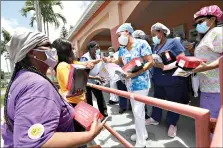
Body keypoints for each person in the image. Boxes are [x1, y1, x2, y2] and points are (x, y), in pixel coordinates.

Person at [2, 29, 105, 147]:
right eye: (47, 46)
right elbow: (34, 143)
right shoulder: (37, 85)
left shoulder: (22, 78)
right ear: (31, 52)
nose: (53, 50)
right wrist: (90, 135)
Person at [103, 23, 153, 147]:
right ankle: (143, 133)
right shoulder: (123, 48)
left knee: (138, 111)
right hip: (129, 84)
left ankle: (141, 142)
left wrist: (135, 74)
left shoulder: (142, 44)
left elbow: (150, 62)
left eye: (119, 35)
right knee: (137, 112)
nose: (119, 38)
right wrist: (109, 61)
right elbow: (119, 61)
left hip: (141, 84)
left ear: (127, 32)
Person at [145, 23, 189, 138]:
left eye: (154, 34)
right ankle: (155, 118)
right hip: (158, 79)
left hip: (172, 79)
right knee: (157, 101)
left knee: (173, 103)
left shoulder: (173, 42)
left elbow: (182, 59)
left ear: (162, 32)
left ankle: (172, 124)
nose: (153, 37)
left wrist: (164, 67)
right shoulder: (155, 46)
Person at [52, 38, 97, 135]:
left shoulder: (71, 64)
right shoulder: (63, 66)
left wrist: (93, 63)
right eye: (72, 48)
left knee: (81, 131)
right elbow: (74, 87)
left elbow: (85, 64)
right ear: (65, 51)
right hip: (73, 104)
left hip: (78, 102)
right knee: (78, 133)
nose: (74, 50)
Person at [192, 5, 223, 120]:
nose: (198, 25)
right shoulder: (208, 34)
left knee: (211, 120)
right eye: (197, 24)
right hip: (207, 85)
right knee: (209, 119)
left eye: (201, 21)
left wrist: (207, 67)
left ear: (213, 19)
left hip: (215, 87)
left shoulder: (218, 32)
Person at [80, 41, 108, 117]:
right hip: (86, 81)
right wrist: (95, 77)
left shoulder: (98, 56)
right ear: (90, 48)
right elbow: (82, 73)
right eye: (96, 47)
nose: (98, 49)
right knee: (88, 99)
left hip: (96, 80)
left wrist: (102, 75)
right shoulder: (85, 58)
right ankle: (91, 116)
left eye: (98, 47)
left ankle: (103, 113)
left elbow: (102, 67)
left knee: (100, 97)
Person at [132, 30, 154, 119]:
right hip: (142, 75)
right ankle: (147, 113)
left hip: (146, 74)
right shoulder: (143, 45)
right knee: (147, 95)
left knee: (149, 95)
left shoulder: (143, 45)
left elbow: (148, 61)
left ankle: (149, 114)